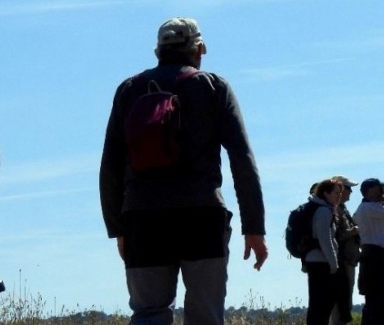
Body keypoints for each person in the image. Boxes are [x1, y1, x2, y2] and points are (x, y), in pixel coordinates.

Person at [99, 17, 267, 325]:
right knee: (205, 315)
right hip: (201, 216)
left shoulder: (129, 89)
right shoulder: (213, 87)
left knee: (148, 313)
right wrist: (254, 227)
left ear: (158, 51)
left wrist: (118, 228)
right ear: (199, 49)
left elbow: (109, 165)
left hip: (143, 218)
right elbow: (242, 159)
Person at [354, 178, 384, 325]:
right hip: (376, 258)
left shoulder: (371, 208)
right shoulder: (367, 208)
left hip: (377, 258)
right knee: (378, 302)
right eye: (378, 188)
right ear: (370, 190)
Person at [304, 179, 344, 325]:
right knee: (322, 304)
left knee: (319, 304)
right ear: (325, 193)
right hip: (321, 263)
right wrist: (334, 264)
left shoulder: (322, 208)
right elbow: (325, 239)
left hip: (316, 261)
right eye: (336, 193)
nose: (339, 196)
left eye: (340, 193)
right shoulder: (323, 211)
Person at [329, 175, 361, 325]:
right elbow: (333, 236)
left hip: (348, 261)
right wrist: (353, 231)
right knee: (339, 302)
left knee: (344, 300)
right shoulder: (334, 210)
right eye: (348, 189)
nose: (350, 192)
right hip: (341, 262)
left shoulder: (342, 209)